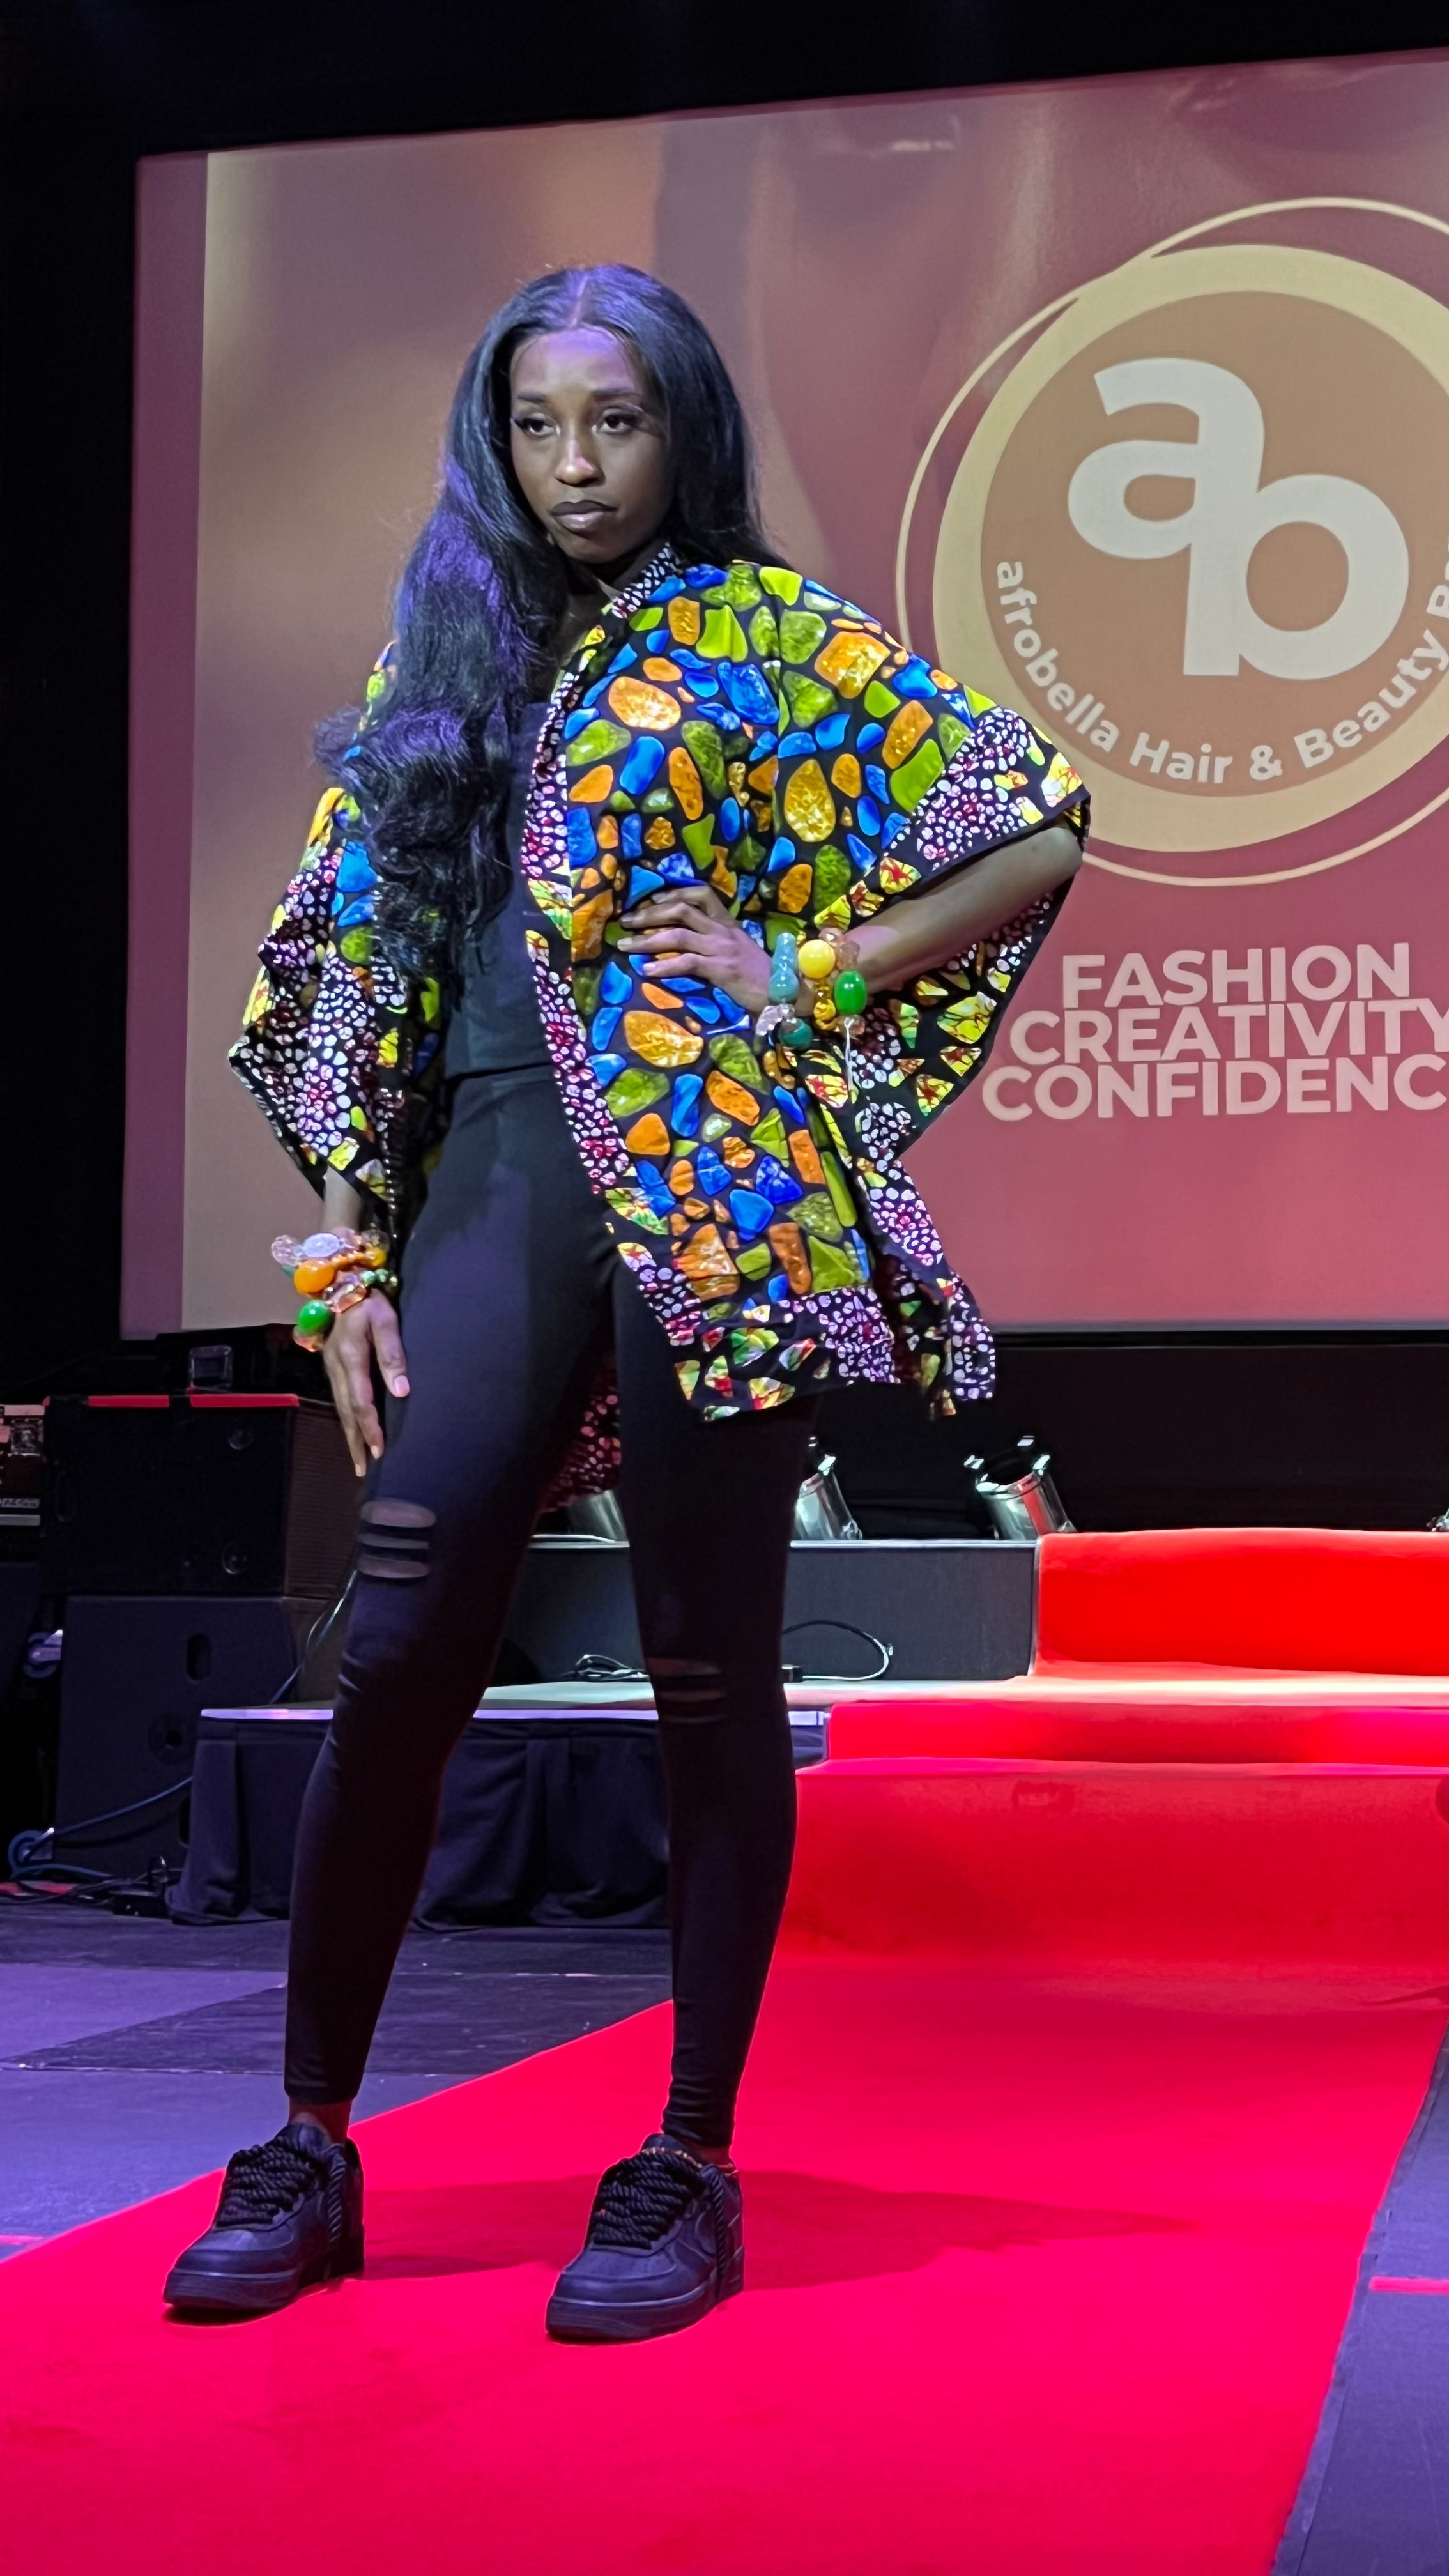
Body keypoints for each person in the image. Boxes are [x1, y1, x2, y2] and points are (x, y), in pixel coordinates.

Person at [164, 264, 1085, 2340]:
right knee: (403, 1640)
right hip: (491, 1176)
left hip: (715, 1190)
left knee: (701, 1662)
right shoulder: (444, 650)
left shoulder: (761, 631)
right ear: (492, 440)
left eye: (617, 421)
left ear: (683, 429)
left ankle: (683, 2155)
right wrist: (340, 1253)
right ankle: (308, 2139)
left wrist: (810, 968)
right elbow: (358, 959)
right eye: (536, 425)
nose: (574, 466)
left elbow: (1026, 824)